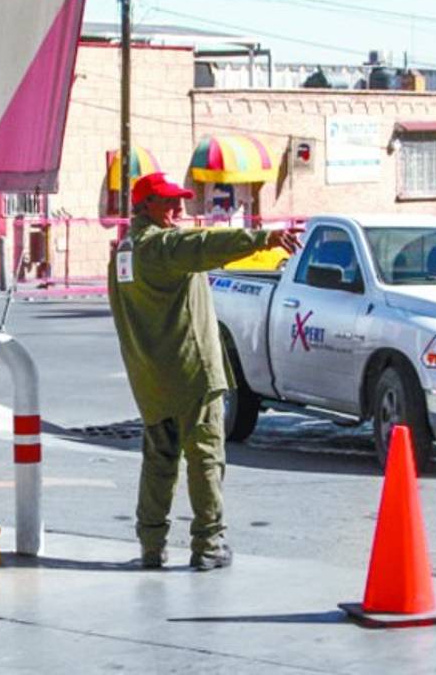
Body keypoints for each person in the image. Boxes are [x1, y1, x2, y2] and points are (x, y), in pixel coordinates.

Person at [107, 172, 301, 571]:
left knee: (159, 461)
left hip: (151, 378)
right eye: (167, 202)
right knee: (206, 458)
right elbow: (200, 245)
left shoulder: (124, 252)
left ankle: (151, 545)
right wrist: (260, 238)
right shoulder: (161, 245)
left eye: (179, 201)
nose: (177, 210)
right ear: (145, 206)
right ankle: (209, 545)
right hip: (192, 371)